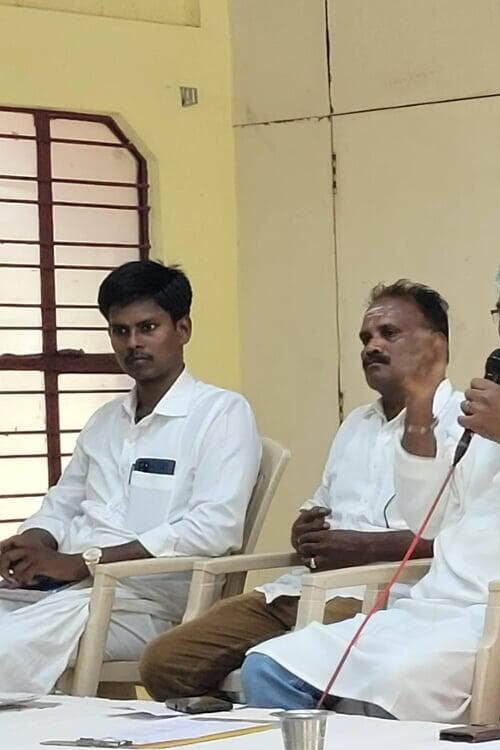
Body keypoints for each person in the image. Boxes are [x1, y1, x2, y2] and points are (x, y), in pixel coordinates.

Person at [238, 239, 500, 721]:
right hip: (433, 604)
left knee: (387, 686)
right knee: (269, 667)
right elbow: (430, 520)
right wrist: (420, 414)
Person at [139, 280, 456, 701]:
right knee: (166, 662)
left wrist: (361, 548)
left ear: (435, 345)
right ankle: (239, 748)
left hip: (385, 594)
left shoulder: (462, 421)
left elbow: (457, 538)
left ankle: (297, 747)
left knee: (269, 666)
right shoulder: (356, 424)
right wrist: (304, 530)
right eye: (366, 337)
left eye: (388, 334)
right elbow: (321, 504)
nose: (371, 347)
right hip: (300, 587)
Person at [0, 260, 260, 693]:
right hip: (67, 590)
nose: (133, 343)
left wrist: (85, 562)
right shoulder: (106, 421)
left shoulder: (221, 413)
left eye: (148, 327)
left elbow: (215, 528)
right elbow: (64, 502)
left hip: (148, 603)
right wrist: (33, 544)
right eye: (120, 331)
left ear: (183, 328)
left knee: (7, 649)